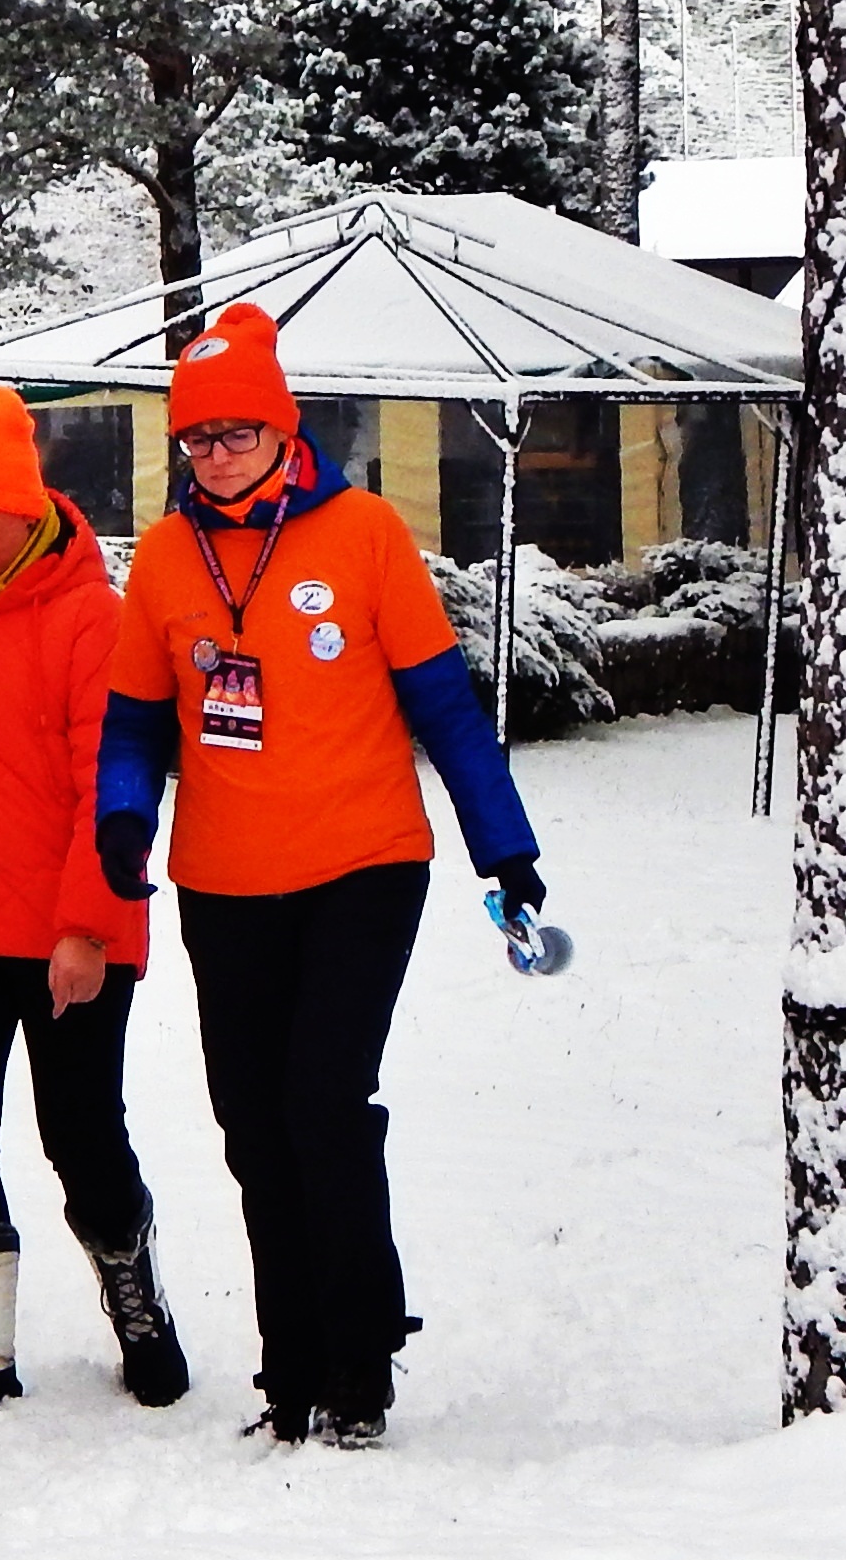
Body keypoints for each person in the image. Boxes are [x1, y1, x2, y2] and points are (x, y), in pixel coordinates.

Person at [95, 301, 539, 1449]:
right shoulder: (163, 555)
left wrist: (507, 847)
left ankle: (355, 1365)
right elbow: (138, 723)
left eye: (236, 434)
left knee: (320, 1105)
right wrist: (124, 817)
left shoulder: (364, 535)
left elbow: (443, 703)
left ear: (283, 431)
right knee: (251, 1124)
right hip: (226, 878)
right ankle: (289, 1370)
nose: (215, 457)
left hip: (361, 863)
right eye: (197, 440)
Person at [0, 381, 184, 1415]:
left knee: (81, 1133)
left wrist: (87, 929)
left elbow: (107, 783)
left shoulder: (86, 619)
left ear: (25, 511)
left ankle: (134, 1296)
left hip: (70, 931)